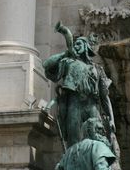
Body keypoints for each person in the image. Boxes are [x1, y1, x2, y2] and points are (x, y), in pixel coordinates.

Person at [43, 21, 117, 150]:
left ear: (86, 46)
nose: (76, 46)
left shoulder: (97, 69)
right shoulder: (68, 62)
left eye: (78, 44)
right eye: (75, 44)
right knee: (74, 142)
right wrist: (65, 53)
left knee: (97, 141)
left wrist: (111, 119)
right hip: (74, 104)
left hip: (92, 106)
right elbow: (47, 65)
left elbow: (105, 97)